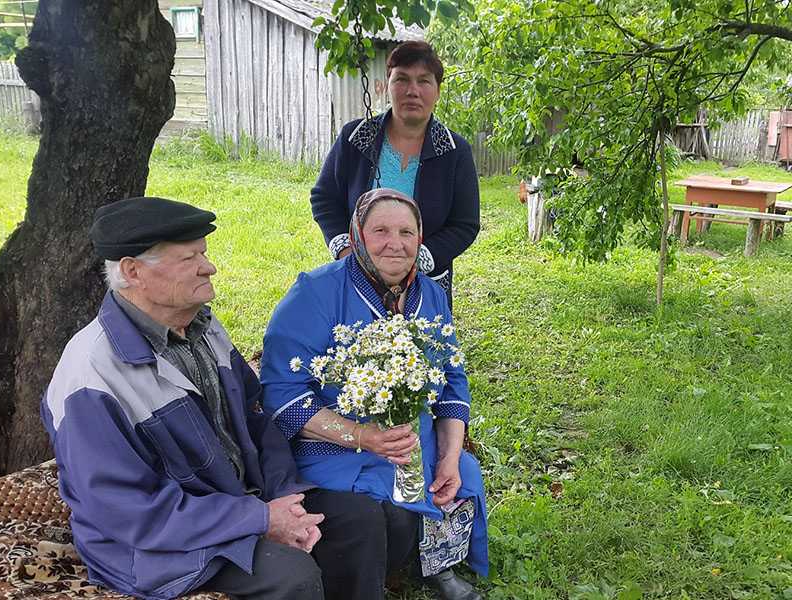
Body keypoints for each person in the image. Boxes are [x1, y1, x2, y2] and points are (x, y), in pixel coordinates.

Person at [40, 197, 326, 600]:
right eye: (189, 258)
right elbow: (128, 511)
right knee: (290, 575)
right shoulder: (91, 374)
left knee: (354, 522)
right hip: (153, 544)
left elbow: (255, 418)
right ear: (133, 271)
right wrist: (258, 518)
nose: (208, 267)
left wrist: (282, 494)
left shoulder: (204, 327)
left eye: (204, 254)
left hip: (235, 500)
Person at [262, 188, 487, 600]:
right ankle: (409, 556)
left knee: (459, 475)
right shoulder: (316, 292)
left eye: (406, 232)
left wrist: (450, 456)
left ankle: (437, 561)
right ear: (356, 236)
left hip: (410, 437)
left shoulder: (432, 295)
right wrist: (364, 437)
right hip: (335, 445)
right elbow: (282, 395)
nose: (395, 243)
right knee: (388, 501)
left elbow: (453, 381)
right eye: (379, 230)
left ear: (420, 239)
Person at [310, 41, 480, 306]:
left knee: (421, 346)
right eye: (402, 79)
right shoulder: (355, 138)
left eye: (424, 81)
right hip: (357, 279)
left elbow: (465, 224)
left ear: (437, 91)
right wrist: (345, 250)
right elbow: (324, 198)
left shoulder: (454, 151)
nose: (412, 91)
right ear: (387, 85)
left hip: (426, 282)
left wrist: (418, 260)